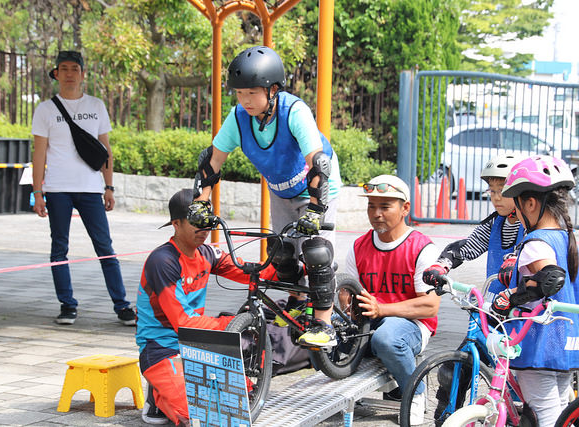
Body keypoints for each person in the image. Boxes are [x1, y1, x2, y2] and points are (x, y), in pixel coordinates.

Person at [188, 45, 342, 347]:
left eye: (252, 93)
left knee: (316, 252)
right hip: (281, 189)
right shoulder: (238, 118)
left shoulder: (294, 112)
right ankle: (296, 301)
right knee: (281, 251)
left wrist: (315, 211)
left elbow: (318, 163)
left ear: (272, 90)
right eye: (239, 93)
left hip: (318, 188)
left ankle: (325, 325)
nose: (245, 100)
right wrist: (200, 202)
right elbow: (212, 161)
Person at [137, 189, 276, 426]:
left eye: (208, 222)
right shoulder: (163, 261)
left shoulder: (208, 253)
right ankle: (158, 395)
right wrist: (231, 324)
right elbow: (183, 322)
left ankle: (170, 388)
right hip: (161, 348)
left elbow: (251, 272)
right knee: (201, 414)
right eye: (196, 222)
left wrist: (288, 265)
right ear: (176, 224)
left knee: (240, 399)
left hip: (197, 345)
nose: (204, 229)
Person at [31, 50, 134, 326]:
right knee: (59, 248)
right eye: (63, 69)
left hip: (90, 187)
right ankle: (67, 305)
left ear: (83, 74)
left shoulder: (96, 105)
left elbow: (105, 149)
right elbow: (39, 154)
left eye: (74, 69)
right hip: (57, 189)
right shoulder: (45, 109)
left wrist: (109, 186)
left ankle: (122, 306)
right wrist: (38, 192)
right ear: (56, 74)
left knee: (105, 247)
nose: (69, 74)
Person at [489, 155, 579, 427]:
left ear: (529, 204)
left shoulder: (536, 243)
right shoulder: (566, 238)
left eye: (516, 206)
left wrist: (511, 297)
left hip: (539, 344)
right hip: (566, 343)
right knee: (561, 414)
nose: (515, 214)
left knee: (546, 417)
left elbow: (550, 279)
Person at [345, 174, 441, 425]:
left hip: (412, 324)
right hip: (371, 319)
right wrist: (346, 307)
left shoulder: (422, 248)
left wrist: (382, 309)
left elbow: (430, 306)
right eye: (371, 206)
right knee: (321, 335)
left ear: (405, 208)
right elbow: (347, 294)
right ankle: (348, 393)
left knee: (386, 339)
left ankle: (414, 393)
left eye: (385, 206)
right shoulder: (358, 246)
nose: (376, 214)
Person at [423, 153, 526, 302]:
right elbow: (469, 246)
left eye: (503, 191)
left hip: (524, 304)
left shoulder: (529, 225)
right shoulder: (495, 223)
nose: (496, 198)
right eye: (492, 191)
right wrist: (442, 265)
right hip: (495, 301)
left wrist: (516, 260)